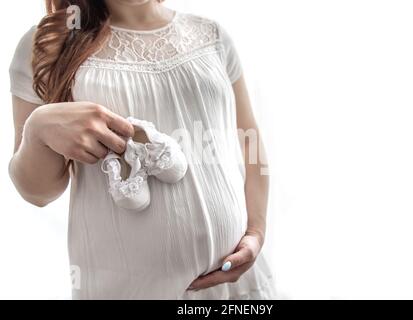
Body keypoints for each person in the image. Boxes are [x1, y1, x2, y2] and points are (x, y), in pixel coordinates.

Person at [9, 0, 275, 299]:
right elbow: (38, 193)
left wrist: (256, 232)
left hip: (238, 288)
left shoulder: (212, 35)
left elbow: (249, 140)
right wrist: (37, 128)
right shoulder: (48, 47)